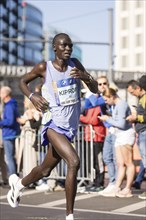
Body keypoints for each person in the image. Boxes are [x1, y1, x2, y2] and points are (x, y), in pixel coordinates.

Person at [7, 33, 98, 220]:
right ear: (54, 47)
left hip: (70, 127)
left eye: (70, 46)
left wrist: (85, 77)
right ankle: (69, 216)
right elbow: (22, 82)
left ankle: (19, 184)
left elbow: (95, 89)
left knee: (45, 170)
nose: (68, 49)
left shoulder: (75, 64)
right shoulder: (44, 67)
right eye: (64, 46)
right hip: (53, 124)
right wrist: (32, 96)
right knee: (74, 161)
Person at [99, 88, 136, 197]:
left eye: (106, 100)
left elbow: (121, 124)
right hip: (119, 135)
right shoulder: (116, 106)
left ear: (112, 97)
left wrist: (107, 119)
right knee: (120, 163)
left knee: (128, 162)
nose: (105, 102)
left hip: (125, 134)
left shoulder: (121, 105)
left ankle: (128, 188)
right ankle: (117, 187)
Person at [83, 76, 117, 195]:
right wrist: (90, 93)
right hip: (110, 130)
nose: (102, 86)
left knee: (109, 159)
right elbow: (87, 106)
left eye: (104, 83)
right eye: (99, 84)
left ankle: (111, 183)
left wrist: (89, 91)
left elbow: (95, 103)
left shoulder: (109, 96)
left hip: (114, 130)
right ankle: (110, 184)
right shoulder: (101, 97)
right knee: (107, 158)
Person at [126, 76, 146, 200]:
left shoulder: (144, 99)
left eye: (132, 92)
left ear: (138, 88)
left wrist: (135, 118)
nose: (132, 95)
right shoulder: (142, 99)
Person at [80, 105, 106, 192]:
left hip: (97, 138)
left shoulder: (98, 107)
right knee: (91, 162)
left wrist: (81, 118)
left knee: (98, 163)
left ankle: (100, 183)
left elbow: (93, 120)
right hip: (88, 138)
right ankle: (94, 182)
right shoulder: (88, 107)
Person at [0, 86, 20, 176]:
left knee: (9, 157)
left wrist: (1, 122)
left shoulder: (9, 105)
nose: (0, 95)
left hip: (9, 134)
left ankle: (13, 177)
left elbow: (10, 120)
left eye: (1, 93)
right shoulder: (12, 104)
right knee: (11, 156)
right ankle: (14, 175)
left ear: (5, 95)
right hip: (11, 133)